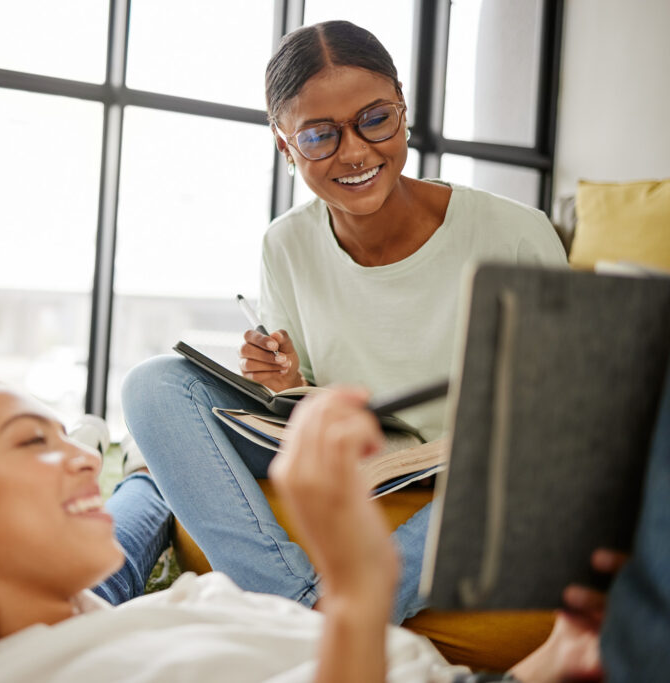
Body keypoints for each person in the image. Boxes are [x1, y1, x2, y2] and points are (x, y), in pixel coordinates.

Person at [121, 20, 567, 620]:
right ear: (286, 146)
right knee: (154, 384)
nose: (355, 153)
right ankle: (300, 604)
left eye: (375, 120)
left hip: (477, 468)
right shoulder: (285, 244)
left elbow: (561, 412)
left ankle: (316, 620)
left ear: (403, 110)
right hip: (357, 454)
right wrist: (281, 381)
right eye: (319, 137)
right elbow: (300, 396)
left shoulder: (515, 232)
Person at [0, 380, 623, 682]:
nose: (76, 456)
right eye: (33, 440)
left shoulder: (165, 613)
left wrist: (558, 656)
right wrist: (353, 589)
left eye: (68, 435)